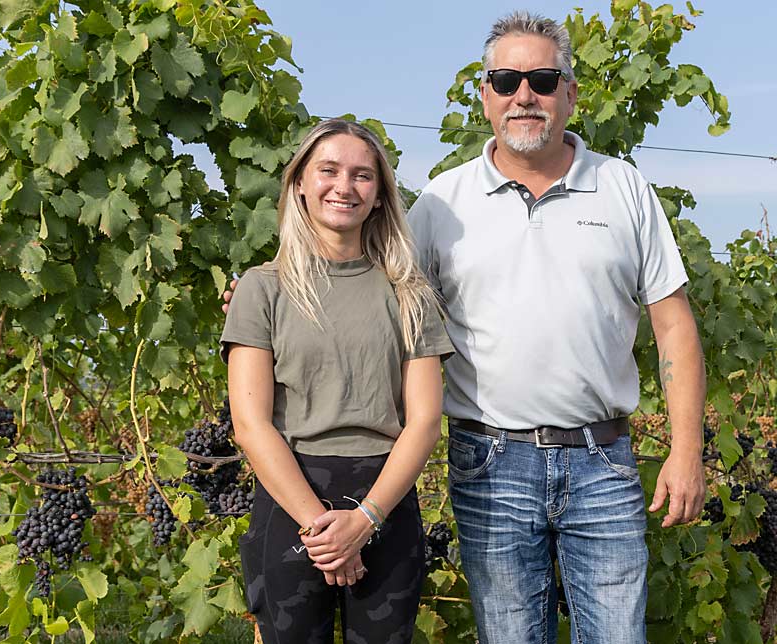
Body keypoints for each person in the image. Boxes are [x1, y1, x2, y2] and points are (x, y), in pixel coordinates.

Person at [403, 12, 707, 644]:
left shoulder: (622, 187)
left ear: (569, 93)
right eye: (507, 79)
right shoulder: (440, 204)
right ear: (484, 95)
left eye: (542, 78)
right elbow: (383, 309)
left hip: (605, 462)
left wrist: (686, 450)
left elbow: (674, 326)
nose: (525, 95)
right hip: (489, 464)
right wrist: (270, 294)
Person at [221, 118, 454, 643]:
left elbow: (423, 421)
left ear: (379, 195)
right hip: (291, 500)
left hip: (385, 500)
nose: (344, 187)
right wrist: (322, 531)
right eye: (328, 170)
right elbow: (251, 425)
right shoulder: (262, 290)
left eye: (362, 176)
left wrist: (365, 520)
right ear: (300, 183)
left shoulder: (409, 294)